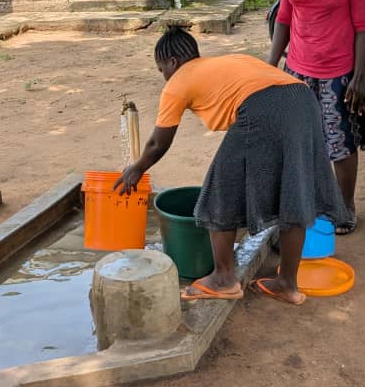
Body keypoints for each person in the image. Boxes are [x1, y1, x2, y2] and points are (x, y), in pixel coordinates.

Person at [115, 27, 348, 305]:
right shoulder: (230, 62)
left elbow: (158, 143)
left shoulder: (178, 82)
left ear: (173, 62)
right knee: (293, 191)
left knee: (219, 190)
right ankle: (287, 283)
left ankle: (224, 278)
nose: (163, 75)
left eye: (161, 68)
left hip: (264, 106)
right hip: (303, 99)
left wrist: (137, 168)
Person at [267, 0, 365, 235]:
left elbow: (363, 27)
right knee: (298, 140)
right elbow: (283, 19)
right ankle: (310, 202)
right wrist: (270, 67)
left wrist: (359, 76)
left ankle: (345, 208)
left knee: (339, 142)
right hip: (297, 70)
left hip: (338, 73)